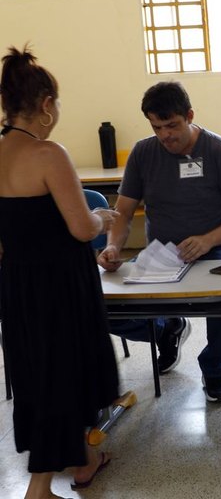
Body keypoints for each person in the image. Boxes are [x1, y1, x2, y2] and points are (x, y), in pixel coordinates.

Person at [0, 45, 120, 498]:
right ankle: (39, 489)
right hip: (61, 285)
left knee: (37, 372)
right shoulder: (48, 152)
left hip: (18, 283)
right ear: (46, 105)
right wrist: (103, 220)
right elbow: (79, 225)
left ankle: (84, 458)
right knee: (65, 374)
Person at [97, 81, 221, 402]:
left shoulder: (219, 152)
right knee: (102, 305)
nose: (165, 135)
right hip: (162, 253)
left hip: (217, 248)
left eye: (172, 126)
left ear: (190, 116)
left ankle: (214, 368)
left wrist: (207, 239)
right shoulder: (144, 153)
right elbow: (124, 212)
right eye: (157, 127)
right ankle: (165, 330)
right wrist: (114, 246)